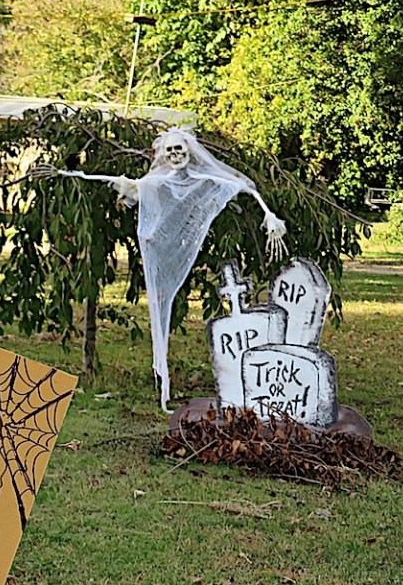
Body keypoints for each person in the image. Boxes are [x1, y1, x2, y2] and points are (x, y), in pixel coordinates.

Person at [39, 127, 288, 411]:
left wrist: (270, 216)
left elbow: (241, 187)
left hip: (170, 241)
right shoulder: (156, 181)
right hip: (154, 244)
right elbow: (124, 183)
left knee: (164, 304)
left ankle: (164, 378)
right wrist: (71, 174)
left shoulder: (201, 178)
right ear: (163, 154)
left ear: (189, 151)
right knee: (159, 305)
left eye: (179, 149)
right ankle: (162, 377)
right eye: (170, 150)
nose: (175, 155)